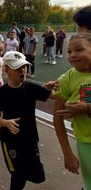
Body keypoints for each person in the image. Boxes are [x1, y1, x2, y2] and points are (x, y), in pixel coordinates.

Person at [0, 51, 54, 190]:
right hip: (10, 141)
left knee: (39, 175)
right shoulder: (1, 92)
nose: (23, 70)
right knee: (18, 176)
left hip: (30, 138)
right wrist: (6, 123)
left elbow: (55, 96)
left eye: (24, 67)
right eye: (18, 68)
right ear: (7, 70)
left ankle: (21, 172)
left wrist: (65, 86)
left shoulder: (31, 88)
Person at [53, 32, 91, 190]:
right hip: (87, 142)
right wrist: (67, 152)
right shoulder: (67, 79)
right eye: (69, 52)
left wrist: (87, 108)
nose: (73, 55)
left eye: (79, 50)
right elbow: (57, 117)